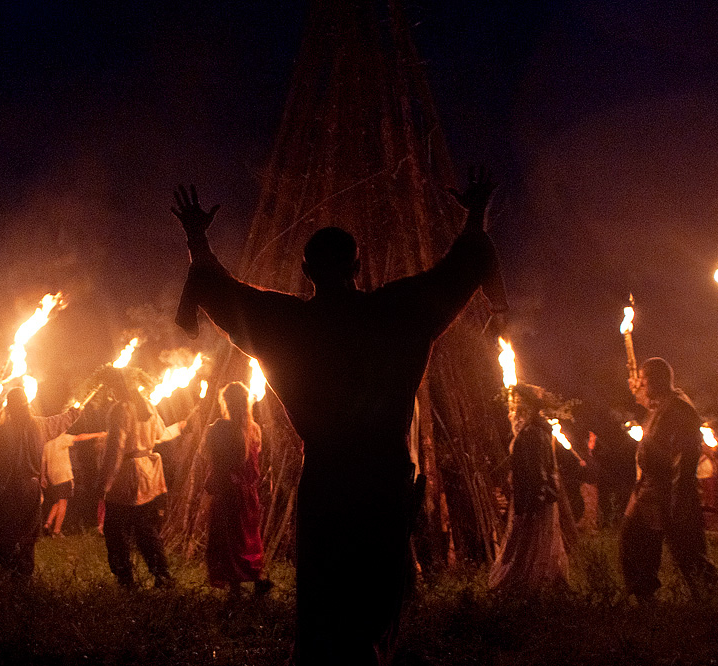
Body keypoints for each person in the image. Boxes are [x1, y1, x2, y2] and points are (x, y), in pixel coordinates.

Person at [172, 169, 502, 665]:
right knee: (377, 600)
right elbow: (464, 264)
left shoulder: (286, 326)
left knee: (326, 605)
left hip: (327, 484)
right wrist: (474, 215)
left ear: (306, 272)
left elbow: (218, 289)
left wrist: (197, 236)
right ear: (359, 266)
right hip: (384, 482)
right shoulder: (399, 314)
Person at [619, 357, 718, 601]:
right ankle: (644, 595)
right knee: (633, 539)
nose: (641, 386)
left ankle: (712, 597)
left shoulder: (679, 408)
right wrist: (640, 393)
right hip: (648, 489)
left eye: (644, 381)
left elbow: (685, 456)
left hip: (669, 490)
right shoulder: (662, 404)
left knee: (686, 550)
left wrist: (678, 497)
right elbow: (651, 410)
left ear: (656, 380)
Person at [0, 388, 80, 575]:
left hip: (13, 488)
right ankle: (22, 573)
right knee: (26, 536)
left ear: (9, 407)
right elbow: (63, 420)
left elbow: (1, 465)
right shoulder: (41, 425)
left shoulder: (5, 430)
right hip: (32, 488)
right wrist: (76, 409)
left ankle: (14, 569)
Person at [488, 386, 568, 593]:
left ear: (529, 405)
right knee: (526, 538)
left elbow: (536, 469)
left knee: (530, 537)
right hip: (530, 493)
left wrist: (534, 496)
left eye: (518, 401)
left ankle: (527, 583)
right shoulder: (530, 430)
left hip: (534, 495)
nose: (514, 406)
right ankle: (524, 581)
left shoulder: (533, 433)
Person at [99, 370, 174, 589]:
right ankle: (162, 575)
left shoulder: (121, 409)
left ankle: (126, 579)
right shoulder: (148, 406)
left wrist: (104, 484)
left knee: (115, 530)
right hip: (147, 477)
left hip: (126, 478)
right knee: (145, 528)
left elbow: (115, 449)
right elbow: (161, 434)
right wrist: (180, 427)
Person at [203, 381, 271, 596]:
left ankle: (235, 586)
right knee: (248, 536)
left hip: (227, 490)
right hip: (248, 493)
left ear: (225, 402)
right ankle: (256, 578)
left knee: (228, 539)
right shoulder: (254, 429)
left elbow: (207, 455)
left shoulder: (220, 428)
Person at [41, 430, 105, 537]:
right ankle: (57, 531)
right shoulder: (62, 438)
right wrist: (98, 434)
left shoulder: (47, 443)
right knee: (63, 503)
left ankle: (47, 524)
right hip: (64, 475)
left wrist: (43, 477)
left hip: (53, 476)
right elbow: (80, 437)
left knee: (57, 501)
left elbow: (43, 462)